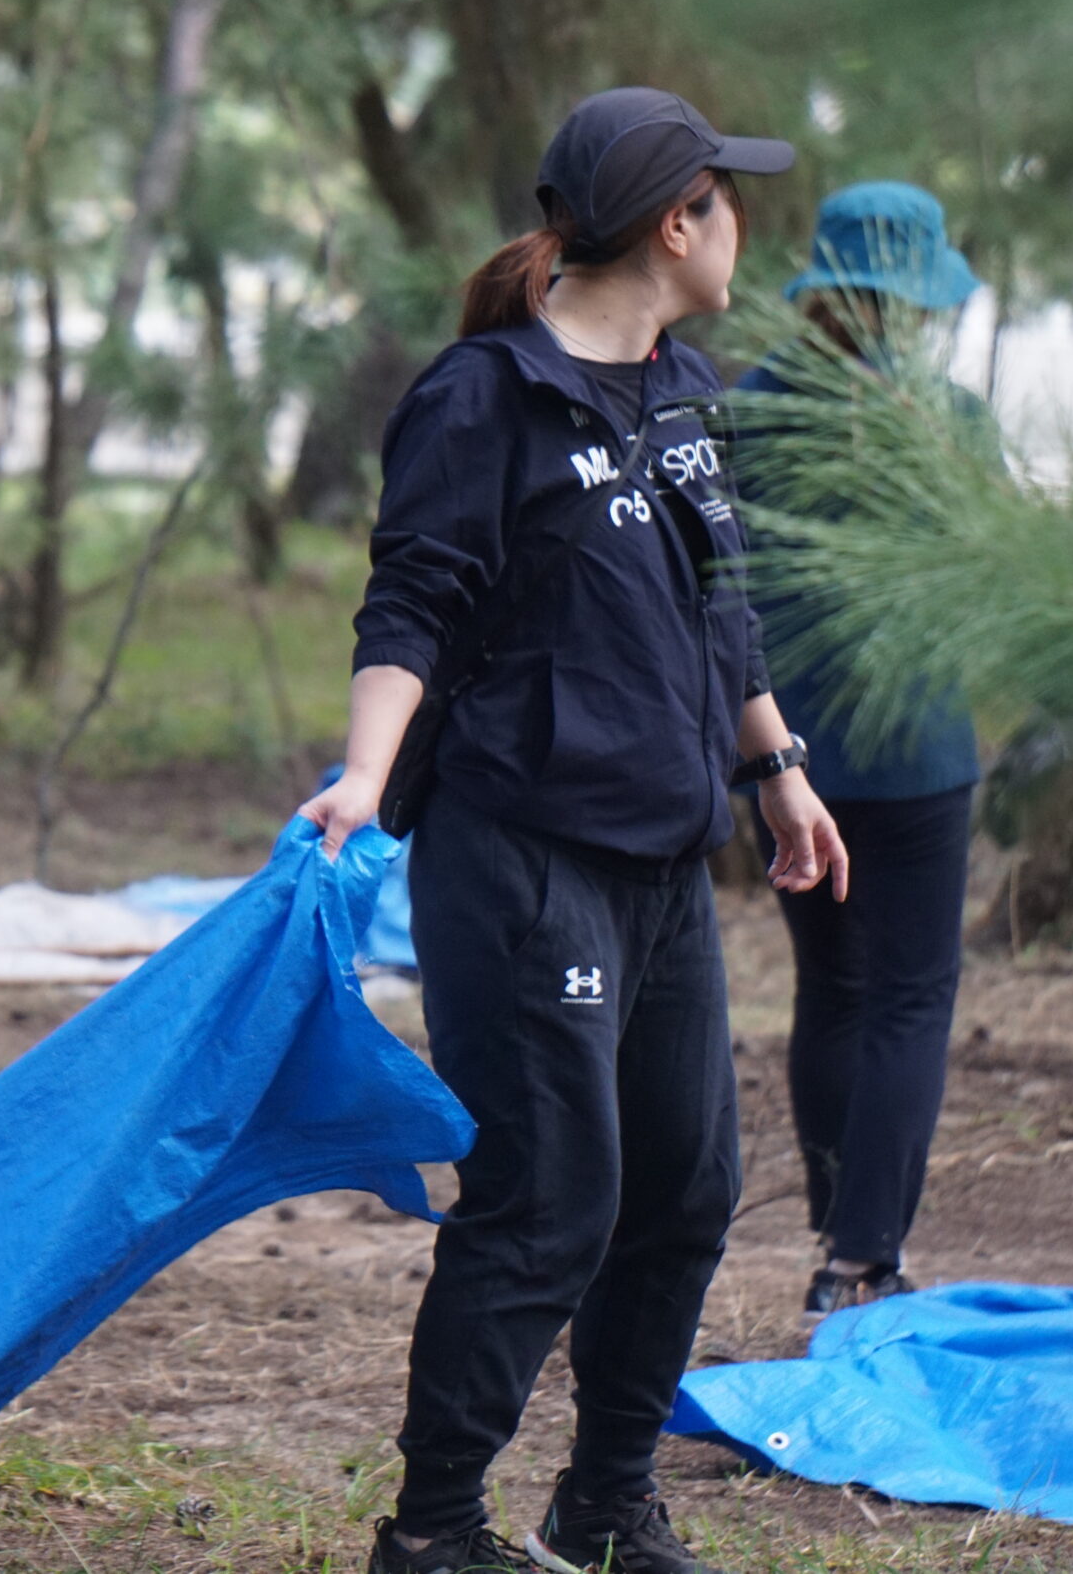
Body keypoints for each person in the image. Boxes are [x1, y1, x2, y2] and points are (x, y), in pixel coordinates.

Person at [300, 88, 849, 1574]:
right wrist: (363, 773)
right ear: (678, 223)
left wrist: (777, 762)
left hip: (666, 860)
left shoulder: (686, 387)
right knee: (553, 1193)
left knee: (687, 1188)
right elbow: (407, 599)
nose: (742, 221)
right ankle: (431, 1530)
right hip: (521, 857)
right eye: (727, 199)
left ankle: (603, 1504)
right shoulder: (479, 398)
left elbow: (715, 606)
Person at [730, 182, 1073, 1317]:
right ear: (912, 298)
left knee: (832, 993)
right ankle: (864, 1258)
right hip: (916, 764)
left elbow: (718, 592)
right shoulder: (946, 419)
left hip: (785, 760)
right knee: (908, 999)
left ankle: (834, 1230)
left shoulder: (748, 410)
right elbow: (1004, 583)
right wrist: (1070, 701)